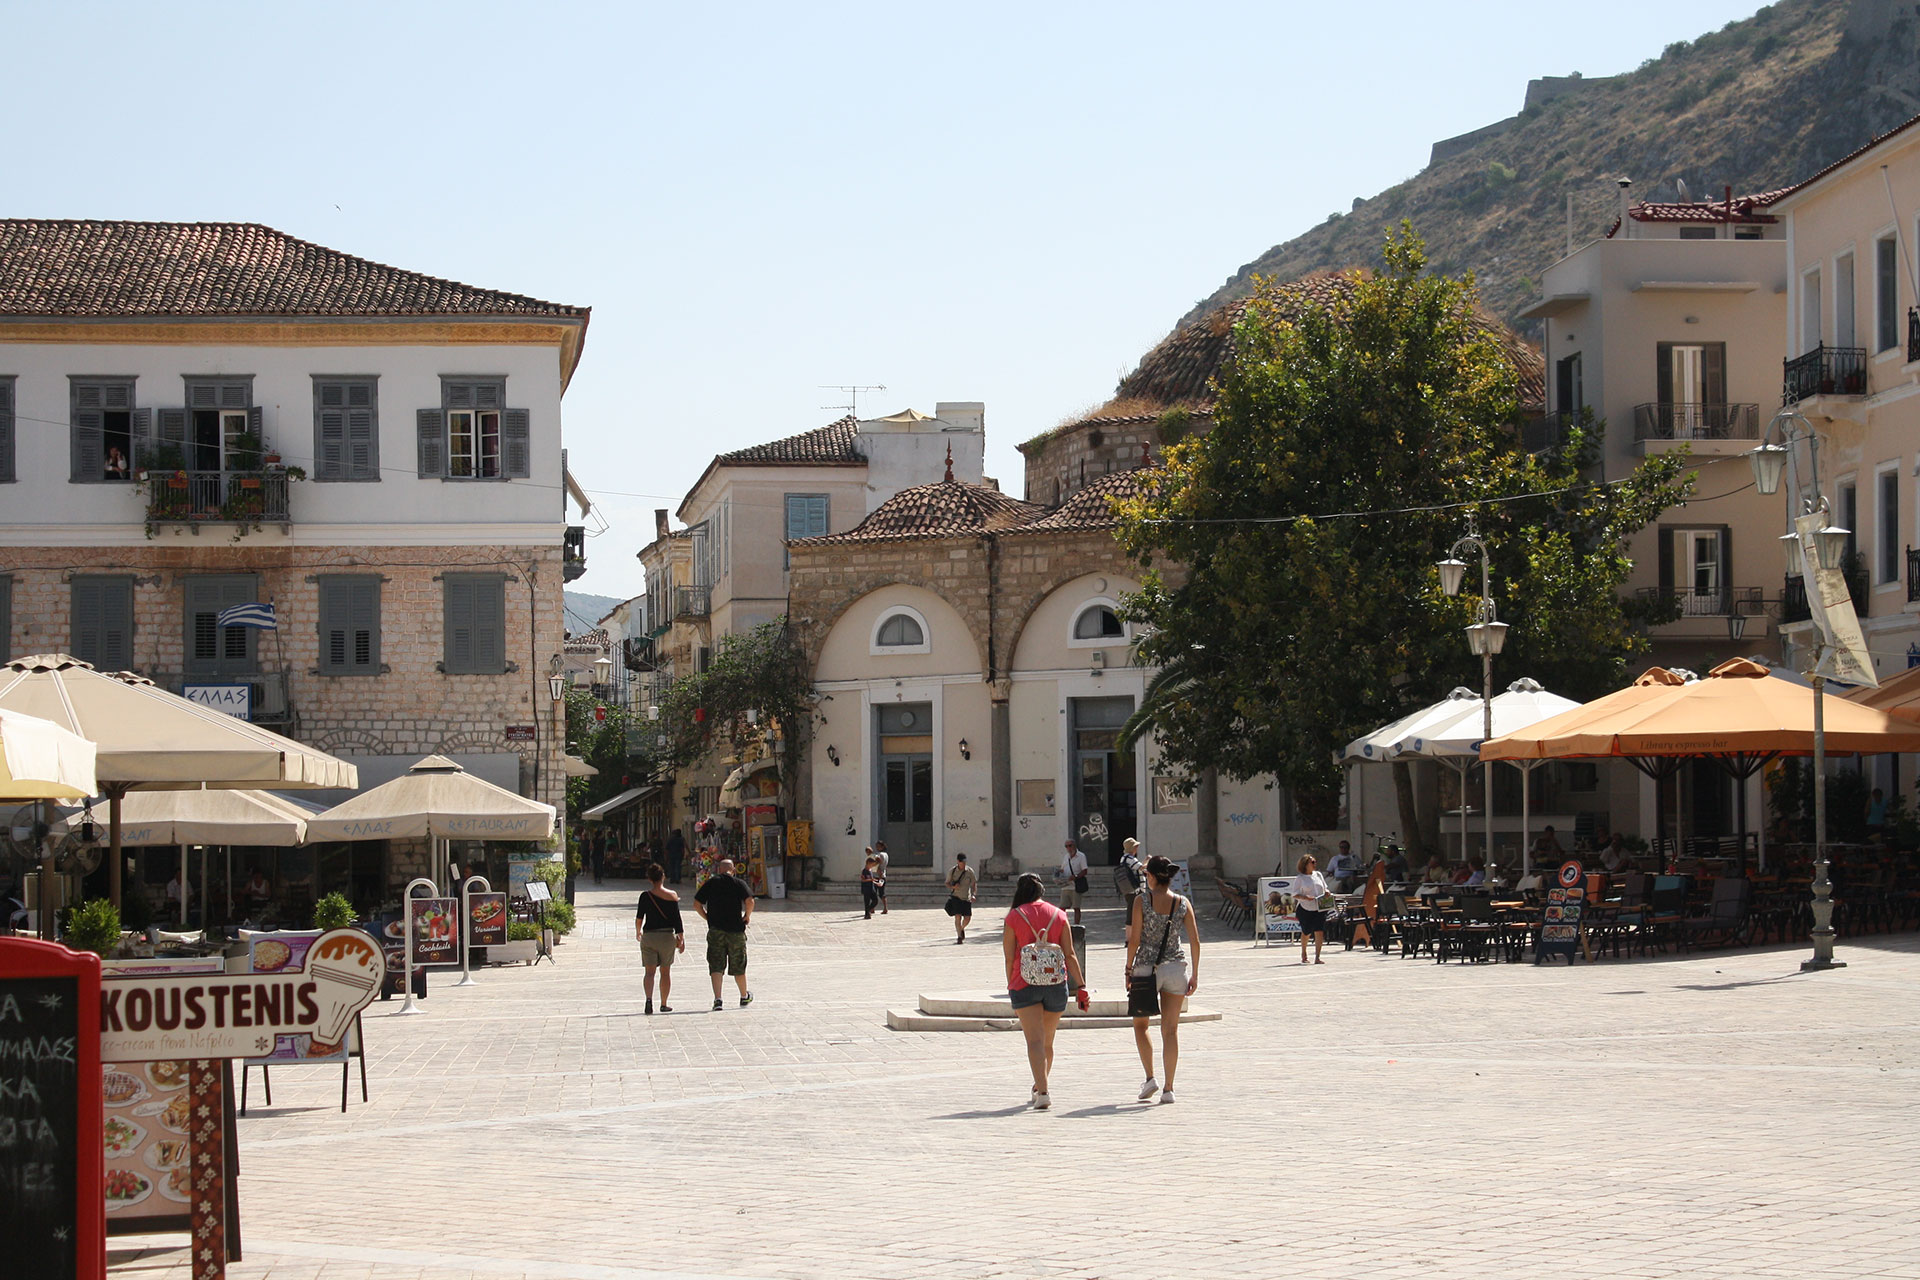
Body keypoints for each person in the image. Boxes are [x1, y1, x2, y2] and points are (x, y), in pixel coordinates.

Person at [1002, 873, 1087, 1111]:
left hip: (1024, 983)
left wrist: (1011, 982)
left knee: (1034, 1041)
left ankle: (1043, 1091)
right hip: (1055, 983)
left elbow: (1009, 957)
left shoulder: (1014, 916)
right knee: (1048, 1041)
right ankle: (1040, 1084)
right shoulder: (1059, 914)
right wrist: (1081, 986)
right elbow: (1070, 954)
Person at [1125, 854, 1201, 1104]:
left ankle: (1150, 1077)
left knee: (1141, 1025)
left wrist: (1128, 968)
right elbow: (1195, 940)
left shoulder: (1141, 901)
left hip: (1146, 967)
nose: (1145, 878)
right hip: (1176, 968)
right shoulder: (1182, 902)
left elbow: (1134, 939)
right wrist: (1195, 974)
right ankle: (1169, 1088)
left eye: (1147, 874)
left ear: (1154, 876)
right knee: (1170, 1030)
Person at [693, 857, 754, 1010]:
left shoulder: (711, 883)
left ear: (719, 870)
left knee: (716, 965)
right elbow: (750, 901)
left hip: (716, 930)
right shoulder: (738, 883)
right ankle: (743, 996)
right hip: (735, 930)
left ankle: (718, 999)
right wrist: (747, 915)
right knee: (739, 965)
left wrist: (707, 917)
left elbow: (696, 903)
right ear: (733, 870)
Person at [634, 863, 684, 1015]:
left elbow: (639, 917)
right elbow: (677, 920)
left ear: (649, 879)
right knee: (665, 971)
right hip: (666, 936)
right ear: (663, 877)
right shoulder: (672, 896)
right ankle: (663, 1003)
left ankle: (649, 1000)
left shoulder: (645, 896)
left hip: (649, 936)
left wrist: (638, 932)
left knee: (649, 973)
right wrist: (681, 938)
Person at [1293, 854, 1332, 964]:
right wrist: (1305, 897)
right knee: (1306, 932)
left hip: (1319, 907)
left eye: (1315, 862)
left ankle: (1317, 957)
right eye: (1312, 862)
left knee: (1319, 931)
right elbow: (1294, 894)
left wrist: (1327, 892)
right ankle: (1304, 952)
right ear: (1305, 865)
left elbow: (1325, 887)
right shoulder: (1300, 878)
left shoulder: (1318, 875)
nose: (1315, 864)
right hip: (1305, 908)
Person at [945, 852, 977, 943]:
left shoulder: (969, 871)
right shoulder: (953, 871)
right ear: (958, 861)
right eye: (962, 862)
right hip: (956, 897)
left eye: (965, 862)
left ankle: (962, 928)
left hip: (966, 898)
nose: (963, 864)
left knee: (967, 918)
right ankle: (959, 936)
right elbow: (947, 883)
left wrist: (974, 894)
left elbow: (974, 883)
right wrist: (953, 887)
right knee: (957, 916)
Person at [1058, 838, 1090, 927]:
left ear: (1074, 846)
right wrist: (1059, 873)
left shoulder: (1081, 856)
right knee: (1062, 907)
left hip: (1076, 886)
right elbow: (1063, 869)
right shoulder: (1066, 857)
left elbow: (1085, 870)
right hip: (1066, 885)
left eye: (1070, 845)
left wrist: (1076, 877)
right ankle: (1061, 925)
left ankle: (1076, 926)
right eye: (1066, 846)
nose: (1068, 848)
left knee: (1076, 907)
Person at [1117, 836, 1147, 928]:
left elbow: (1138, 867)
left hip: (1128, 889)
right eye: (1135, 846)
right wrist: (1149, 860)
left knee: (1132, 911)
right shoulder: (1130, 858)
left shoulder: (1123, 858)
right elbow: (1141, 867)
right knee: (1133, 913)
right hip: (1135, 890)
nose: (1137, 848)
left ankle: (1131, 935)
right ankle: (1130, 936)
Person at [860, 852, 884, 920]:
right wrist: (870, 879)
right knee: (867, 902)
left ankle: (868, 910)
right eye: (871, 865)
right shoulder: (864, 871)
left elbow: (872, 880)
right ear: (868, 863)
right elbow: (863, 880)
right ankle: (867, 914)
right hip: (866, 889)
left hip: (871, 888)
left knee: (875, 900)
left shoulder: (870, 871)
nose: (872, 866)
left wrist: (877, 883)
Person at [872, 840, 891, 914]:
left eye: (878, 846)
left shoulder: (879, 855)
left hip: (877, 876)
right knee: (882, 893)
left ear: (882, 847)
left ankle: (872, 908)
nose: (877, 847)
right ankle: (885, 908)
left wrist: (879, 874)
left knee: (874, 893)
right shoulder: (886, 855)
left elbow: (877, 865)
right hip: (883, 875)